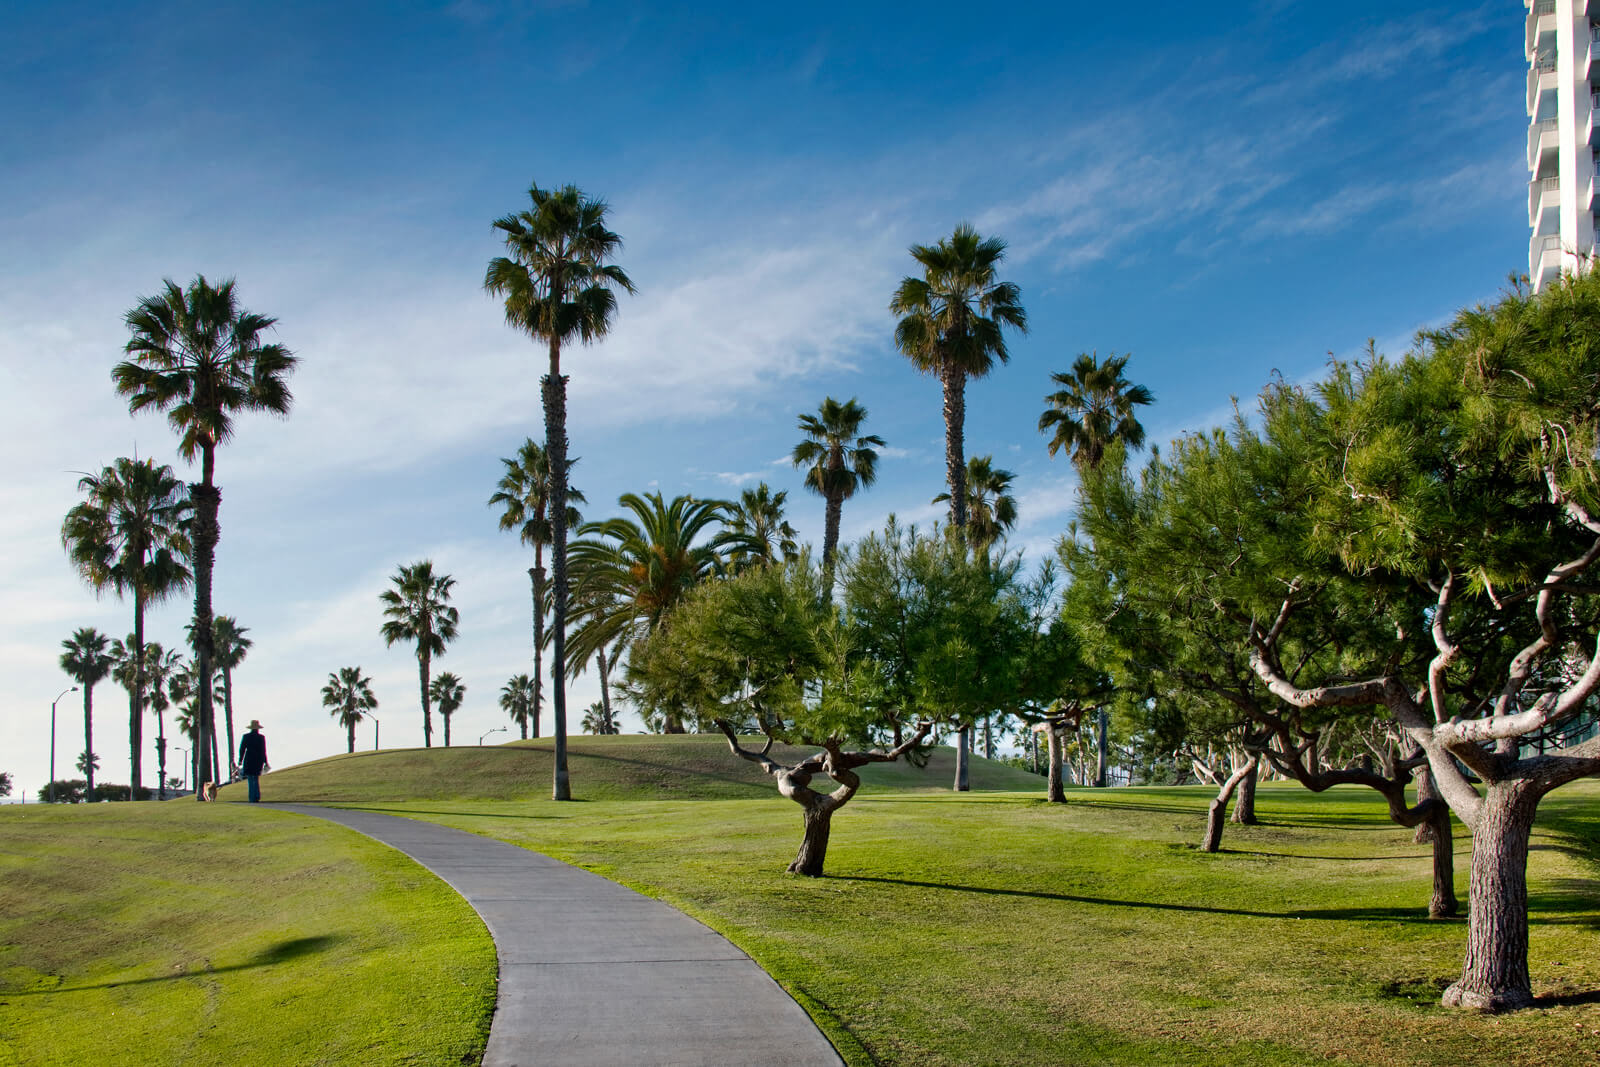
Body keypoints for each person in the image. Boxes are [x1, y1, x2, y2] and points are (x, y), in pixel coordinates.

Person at [239, 719, 270, 802]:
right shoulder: (261, 738)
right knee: (255, 778)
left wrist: (240, 760)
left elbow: (242, 749)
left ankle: (252, 797)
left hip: (249, 760)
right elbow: (263, 751)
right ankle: (256, 796)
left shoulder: (246, 736)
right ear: (258, 728)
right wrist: (265, 761)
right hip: (258, 760)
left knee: (250, 779)